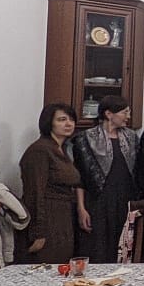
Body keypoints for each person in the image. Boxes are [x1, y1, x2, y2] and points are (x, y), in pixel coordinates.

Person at [72, 95, 139, 263]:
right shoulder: (85, 138)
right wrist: (81, 208)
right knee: (97, 248)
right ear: (109, 114)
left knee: (123, 247)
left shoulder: (132, 137)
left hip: (125, 200)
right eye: (124, 112)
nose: (128, 117)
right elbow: (80, 177)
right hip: (97, 202)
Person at [16, 103, 84, 265]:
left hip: (63, 217)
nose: (68, 124)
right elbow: (34, 192)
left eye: (71, 119)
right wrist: (38, 232)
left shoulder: (63, 149)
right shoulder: (40, 150)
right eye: (62, 120)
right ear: (49, 123)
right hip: (47, 218)